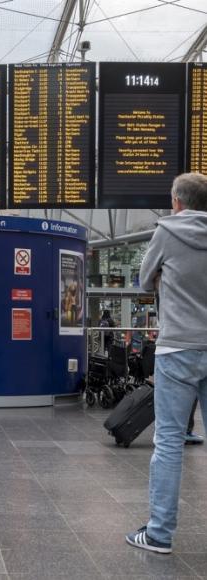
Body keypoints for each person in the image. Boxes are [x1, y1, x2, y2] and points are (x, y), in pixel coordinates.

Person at [126, 173, 207, 554]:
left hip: (177, 348)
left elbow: (144, 280)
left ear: (177, 201)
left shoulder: (168, 231)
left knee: (170, 441)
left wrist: (163, 279)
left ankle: (159, 534)